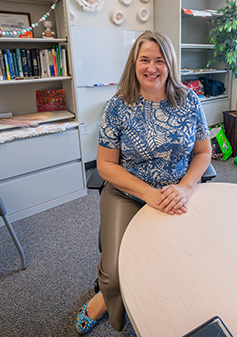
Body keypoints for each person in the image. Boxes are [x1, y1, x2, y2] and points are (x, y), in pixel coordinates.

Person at [75, 31, 212, 334]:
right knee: (113, 275)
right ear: (134, 64)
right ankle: (104, 298)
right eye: (145, 60)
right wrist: (148, 194)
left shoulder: (189, 101)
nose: (152, 68)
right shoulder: (117, 106)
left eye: (159, 60)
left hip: (176, 193)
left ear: (170, 64)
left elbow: (204, 152)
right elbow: (105, 165)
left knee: (186, 262)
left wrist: (185, 187)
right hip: (127, 193)